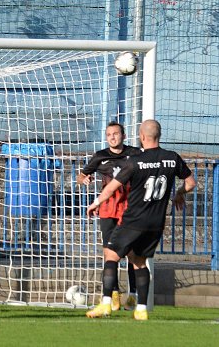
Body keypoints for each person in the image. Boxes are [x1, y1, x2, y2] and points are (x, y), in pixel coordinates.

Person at [85, 119, 196, 320]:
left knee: (110, 255)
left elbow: (111, 187)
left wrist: (95, 203)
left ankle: (106, 303)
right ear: (159, 135)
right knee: (139, 262)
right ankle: (142, 309)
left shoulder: (135, 161)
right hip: (156, 223)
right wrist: (179, 193)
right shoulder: (173, 158)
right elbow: (190, 183)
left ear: (141, 137)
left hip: (133, 220)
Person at [77, 121, 141, 311]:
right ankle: (113, 294)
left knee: (132, 253)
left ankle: (133, 294)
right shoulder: (100, 156)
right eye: (109, 135)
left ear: (123, 136)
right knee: (109, 254)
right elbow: (81, 176)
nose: (112, 137)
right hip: (107, 210)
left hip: (130, 210)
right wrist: (84, 179)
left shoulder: (136, 154)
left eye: (116, 134)